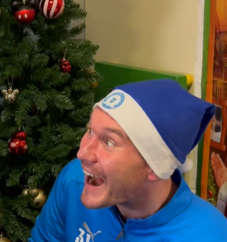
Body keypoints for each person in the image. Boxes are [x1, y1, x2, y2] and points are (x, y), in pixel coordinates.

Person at [29, 79, 227, 241]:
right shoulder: (74, 181)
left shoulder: (210, 236)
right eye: (90, 131)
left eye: (109, 142)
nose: (82, 154)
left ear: (154, 166)